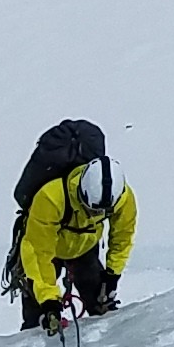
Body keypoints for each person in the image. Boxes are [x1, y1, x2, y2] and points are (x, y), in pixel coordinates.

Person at [8, 118, 136, 331]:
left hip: (85, 246)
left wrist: (113, 274)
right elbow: (38, 253)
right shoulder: (50, 197)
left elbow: (122, 236)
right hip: (49, 247)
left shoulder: (123, 198)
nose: (95, 214)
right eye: (91, 209)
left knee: (101, 307)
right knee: (37, 320)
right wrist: (49, 300)